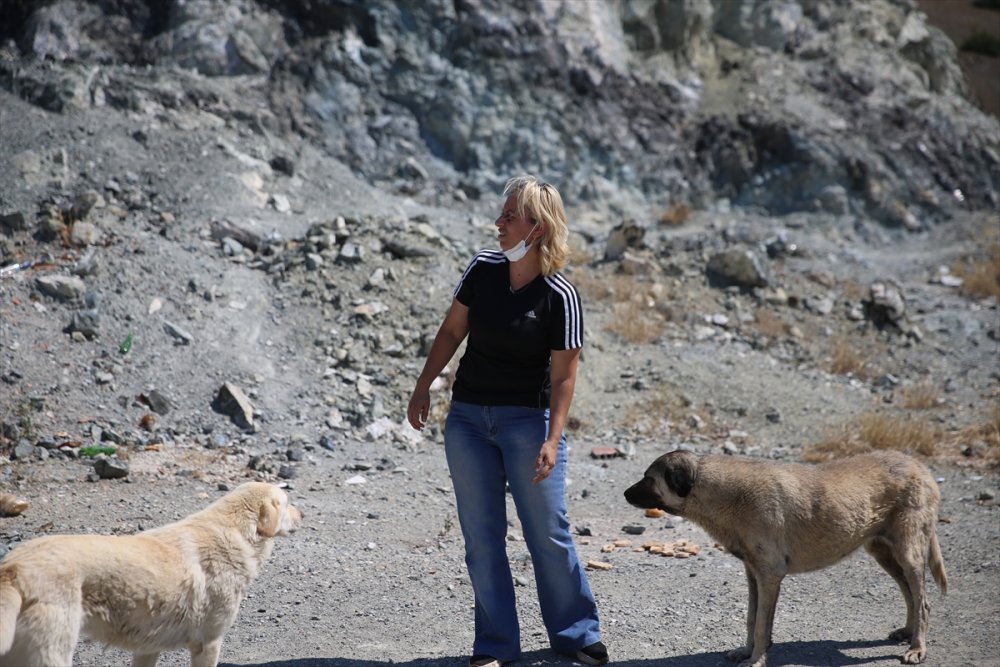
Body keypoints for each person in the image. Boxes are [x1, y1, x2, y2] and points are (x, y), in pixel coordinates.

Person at [407, 176, 608, 667]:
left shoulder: (561, 295)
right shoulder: (483, 268)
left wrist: (552, 439)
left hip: (529, 425)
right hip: (468, 422)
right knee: (482, 539)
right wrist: (423, 385)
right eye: (502, 214)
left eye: (510, 216)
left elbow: (564, 376)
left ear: (537, 228)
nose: (498, 223)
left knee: (548, 534)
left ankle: (576, 634)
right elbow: (452, 331)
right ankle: (495, 646)